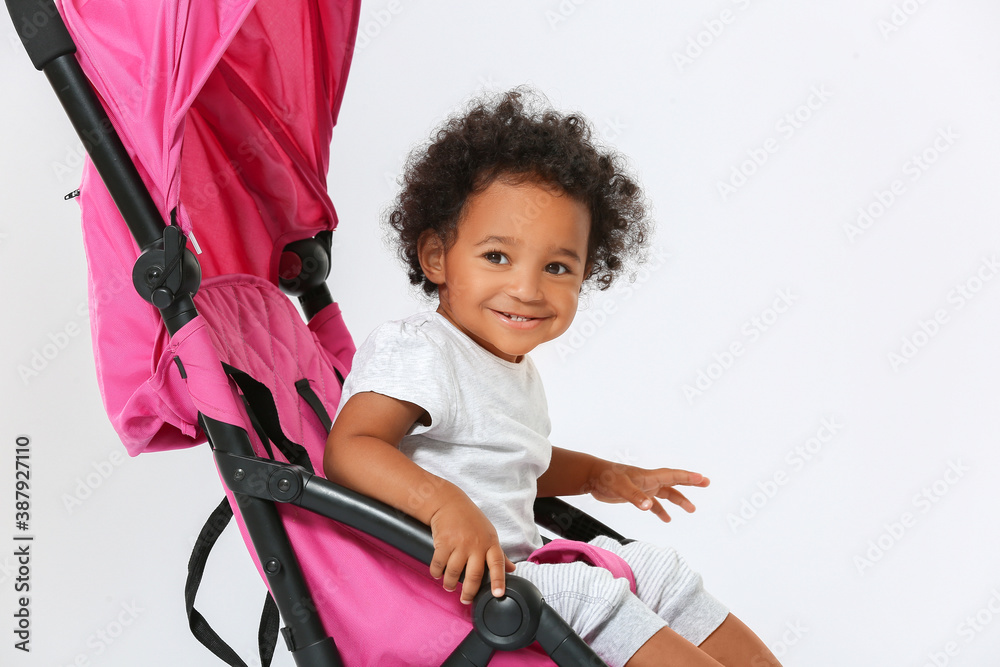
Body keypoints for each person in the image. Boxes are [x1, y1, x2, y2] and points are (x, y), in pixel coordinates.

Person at [324, 90, 780, 667]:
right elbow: (350, 449)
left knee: (656, 567)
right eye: (496, 256)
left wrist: (598, 473)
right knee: (593, 588)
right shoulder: (422, 347)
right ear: (437, 256)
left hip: (526, 565)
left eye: (558, 267)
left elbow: (507, 464)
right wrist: (442, 506)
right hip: (460, 587)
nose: (528, 288)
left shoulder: (508, 365)